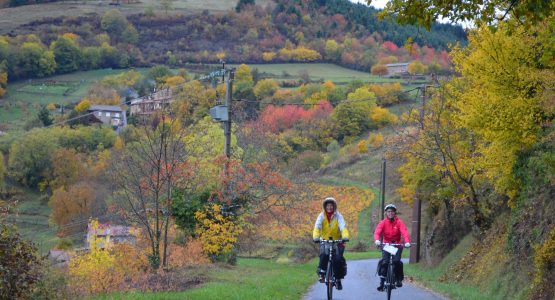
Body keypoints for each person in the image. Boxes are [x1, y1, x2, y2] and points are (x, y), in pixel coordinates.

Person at [313, 197, 350, 290]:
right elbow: (317, 227)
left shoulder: (338, 216)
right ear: (325, 207)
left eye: (331, 206)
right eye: (328, 205)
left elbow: (343, 227)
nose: (329, 207)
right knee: (323, 255)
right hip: (325, 240)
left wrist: (345, 237)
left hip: (337, 241)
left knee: (338, 259)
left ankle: (338, 279)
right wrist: (316, 237)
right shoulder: (321, 216)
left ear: (334, 206)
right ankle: (322, 272)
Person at [374, 204, 411, 291]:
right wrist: (377, 240)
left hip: (397, 245)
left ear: (395, 213)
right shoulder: (383, 222)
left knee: (397, 261)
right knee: (385, 262)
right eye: (388, 211)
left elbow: (404, 232)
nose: (390, 213)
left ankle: (398, 279)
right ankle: (382, 283)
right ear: (386, 213)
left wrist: (407, 242)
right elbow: (377, 232)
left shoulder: (399, 222)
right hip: (386, 245)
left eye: (392, 211)